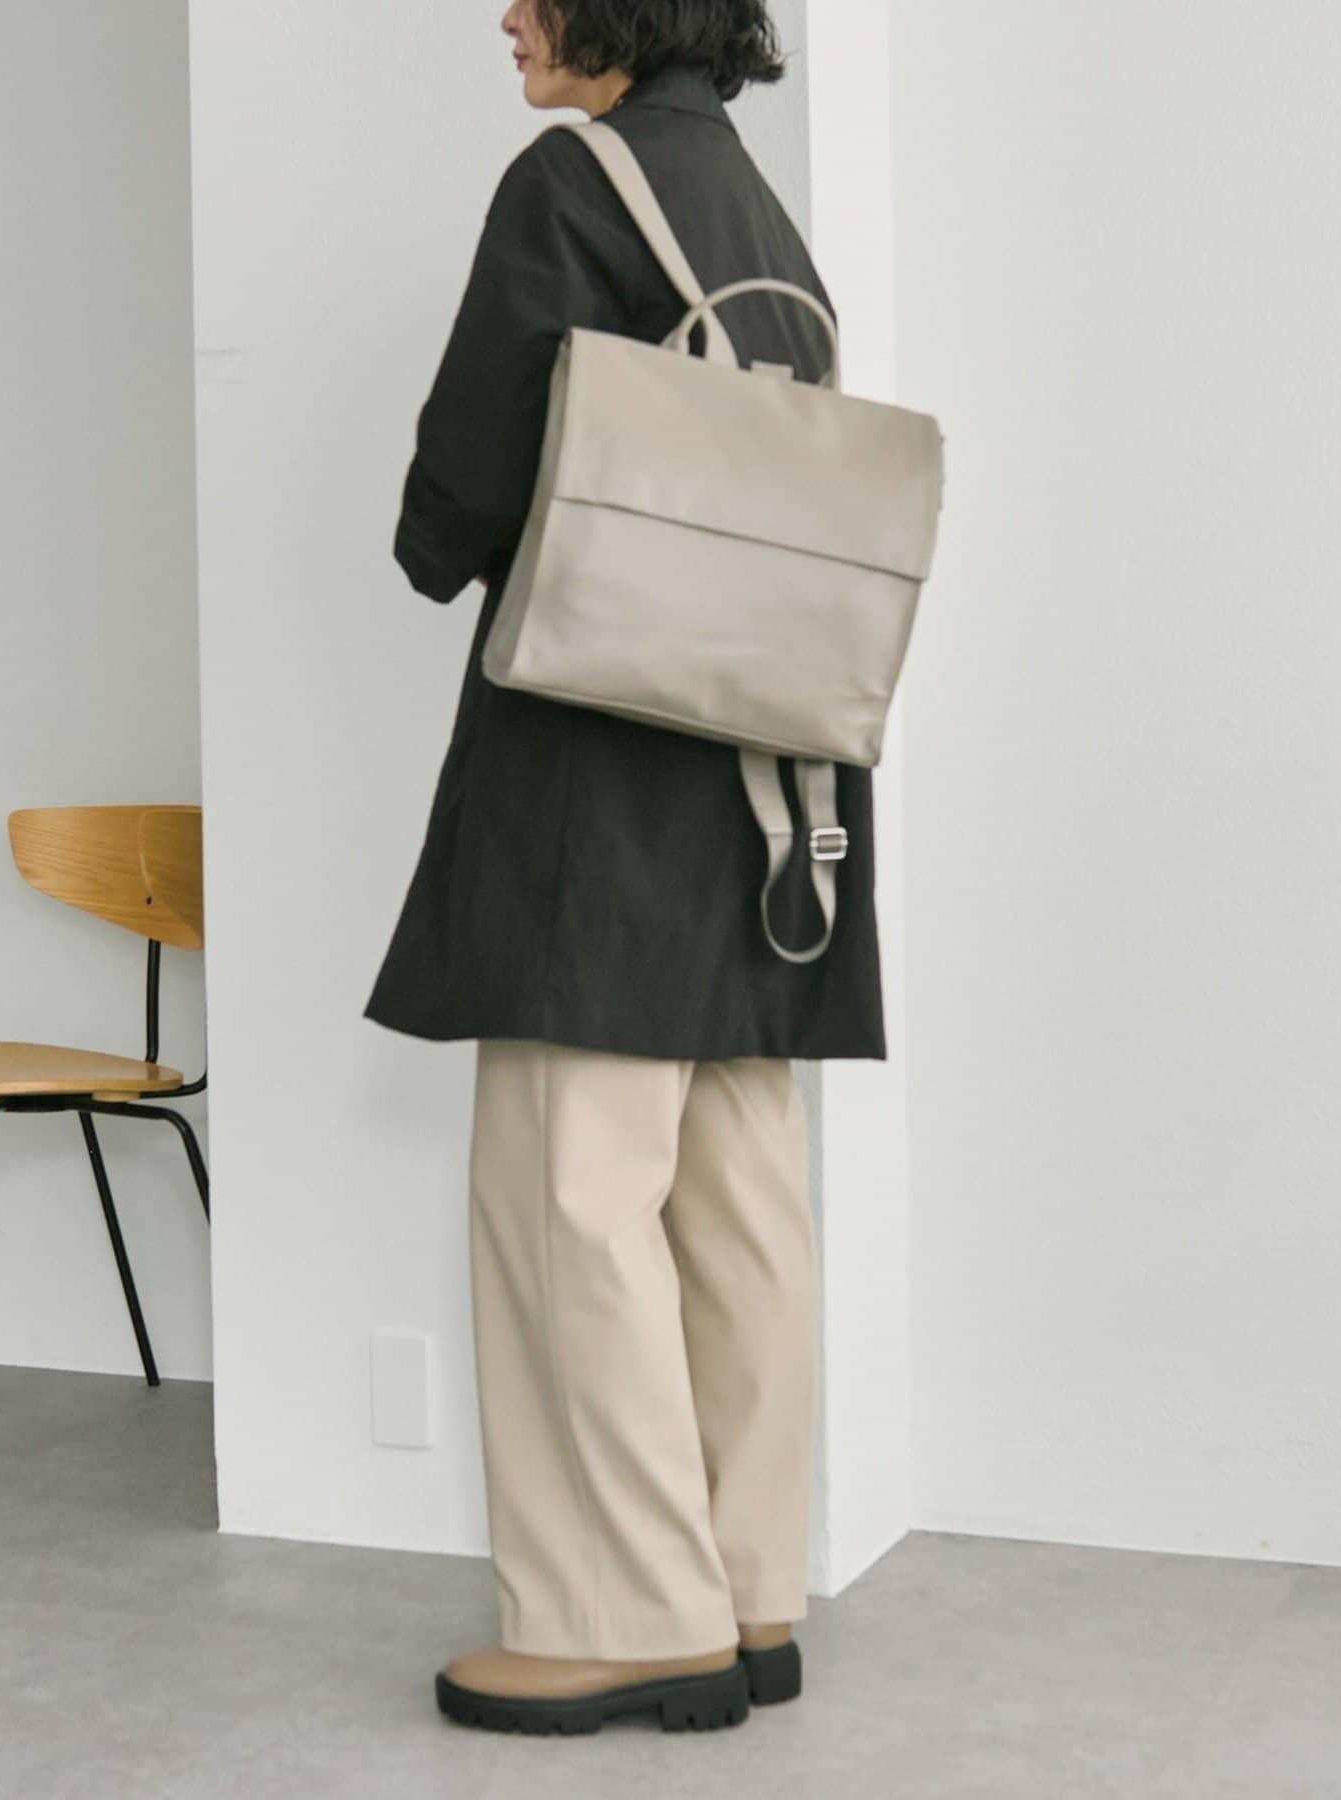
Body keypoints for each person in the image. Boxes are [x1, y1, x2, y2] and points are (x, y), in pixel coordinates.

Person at [363, 0, 887, 1735]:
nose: (506, 13)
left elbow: (463, 478)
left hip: (603, 753)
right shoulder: (752, 206)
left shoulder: (573, 183)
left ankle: (620, 1613)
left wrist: (432, 542)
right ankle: (744, 1591)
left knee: (570, 1189)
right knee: (739, 1194)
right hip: (770, 777)